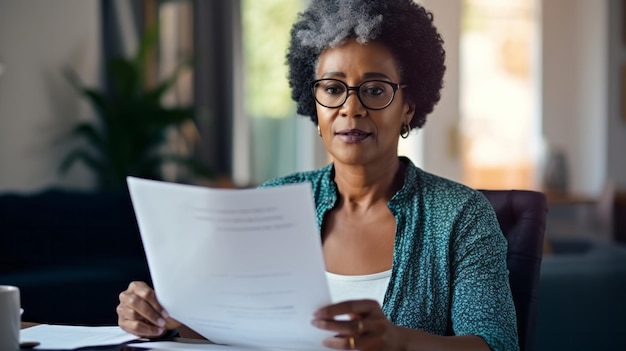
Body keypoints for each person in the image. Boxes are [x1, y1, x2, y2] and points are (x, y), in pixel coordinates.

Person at [116, 1, 520, 350]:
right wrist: (162, 319)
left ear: (409, 108)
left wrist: (398, 342)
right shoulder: (271, 201)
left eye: (375, 90)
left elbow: (494, 344)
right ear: (315, 104)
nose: (351, 109)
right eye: (332, 88)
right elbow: (231, 326)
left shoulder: (461, 216)